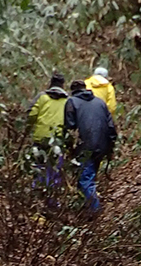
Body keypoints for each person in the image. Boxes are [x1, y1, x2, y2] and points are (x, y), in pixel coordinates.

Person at [64, 79, 116, 215]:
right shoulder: (100, 102)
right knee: (89, 176)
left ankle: (95, 210)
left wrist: (69, 148)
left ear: (73, 91)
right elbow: (111, 127)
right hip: (102, 146)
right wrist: (110, 147)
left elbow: (69, 127)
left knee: (85, 179)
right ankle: (86, 209)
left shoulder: (72, 102)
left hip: (84, 146)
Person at [27, 72, 69, 208]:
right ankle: (51, 201)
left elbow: (31, 114)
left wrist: (28, 128)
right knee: (55, 169)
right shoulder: (67, 100)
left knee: (39, 168)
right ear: (63, 85)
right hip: (57, 140)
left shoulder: (42, 97)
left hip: (40, 138)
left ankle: (37, 199)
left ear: (50, 83)